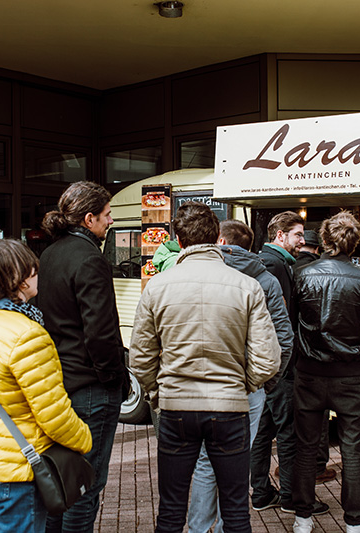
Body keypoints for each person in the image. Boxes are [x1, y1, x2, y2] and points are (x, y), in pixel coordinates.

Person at [130, 201, 280, 533]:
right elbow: (268, 358)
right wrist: (243, 384)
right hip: (229, 406)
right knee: (236, 509)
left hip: (176, 405)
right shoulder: (247, 286)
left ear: (178, 241)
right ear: (216, 238)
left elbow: (140, 357)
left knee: (170, 510)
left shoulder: (157, 286)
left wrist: (157, 391)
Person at [0, 239, 93, 533]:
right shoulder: (27, 333)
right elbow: (53, 414)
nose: (37, 276)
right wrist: (84, 439)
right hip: (17, 467)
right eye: (33, 271)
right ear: (18, 281)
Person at [187, 219, 295, 533]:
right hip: (249, 384)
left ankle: (198, 529)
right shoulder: (266, 280)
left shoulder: (199, 273)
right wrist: (267, 381)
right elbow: (284, 338)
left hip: (205, 378)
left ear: (220, 241)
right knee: (236, 459)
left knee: (205, 460)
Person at [38, 181, 129, 533]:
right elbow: (100, 332)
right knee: (85, 483)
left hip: (60, 380)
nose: (110, 221)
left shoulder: (50, 253)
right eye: (107, 215)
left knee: (63, 478)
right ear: (89, 219)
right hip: (91, 386)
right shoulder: (90, 258)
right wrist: (112, 377)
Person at [291, 210, 360, 533]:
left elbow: (292, 320)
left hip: (309, 372)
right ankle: (354, 523)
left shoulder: (302, 274)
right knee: (352, 450)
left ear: (325, 239)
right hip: (349, 374)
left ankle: (303, 519)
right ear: (355, 243)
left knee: (305, 447)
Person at [251, 211, 307, 513]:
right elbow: (281, 321)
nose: (302, 241)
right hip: (279, 364)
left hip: (266, 362)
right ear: (280, 235)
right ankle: (289, 497)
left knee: (263, 429)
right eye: (298, 234)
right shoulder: (275, 265)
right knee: (287, 431)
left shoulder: (271, 262)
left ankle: (261, 492)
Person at [291, 227, 337, 488]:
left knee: (299, 412)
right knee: (319, 415)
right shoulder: (322, 271)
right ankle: (318, 466)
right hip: (319, 352)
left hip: (295, 351)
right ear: (318, 248)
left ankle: (295, 466)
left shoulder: (291, 269)